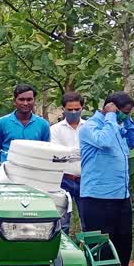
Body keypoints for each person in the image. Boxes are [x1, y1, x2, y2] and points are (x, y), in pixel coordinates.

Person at [79, 92, 134, 266]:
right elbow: (105, 141)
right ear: (110, 107)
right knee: (101, 242)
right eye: (124, 112)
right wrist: (110, 117)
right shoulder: (90, 127)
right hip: (98, 195)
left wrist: (128, 120)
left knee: (123, 239)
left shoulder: (119, 126)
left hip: (120, 195)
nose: (125, 116)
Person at [49, 92, 86, 233]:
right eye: (69, 109)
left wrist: (68, 152)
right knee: (62, 222)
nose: (73, 112)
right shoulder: (55, 130)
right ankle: (62, 253)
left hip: (86, 179)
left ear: (82, 107)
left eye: (77, 109)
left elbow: (92, 152)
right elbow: (57, 154)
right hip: (63, 179)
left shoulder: (89, 127)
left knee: (88, 221)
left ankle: (90, 254)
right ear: (63, 109)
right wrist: (80, 152)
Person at [0, 84, 51, 162]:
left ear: (34, 101)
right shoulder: (1, 123)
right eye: (21, 99)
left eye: (29, 99)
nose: (25, 103)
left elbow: (46, 152)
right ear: (14, 101)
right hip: (7, 171)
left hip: (34, 171)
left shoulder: (43, 125)